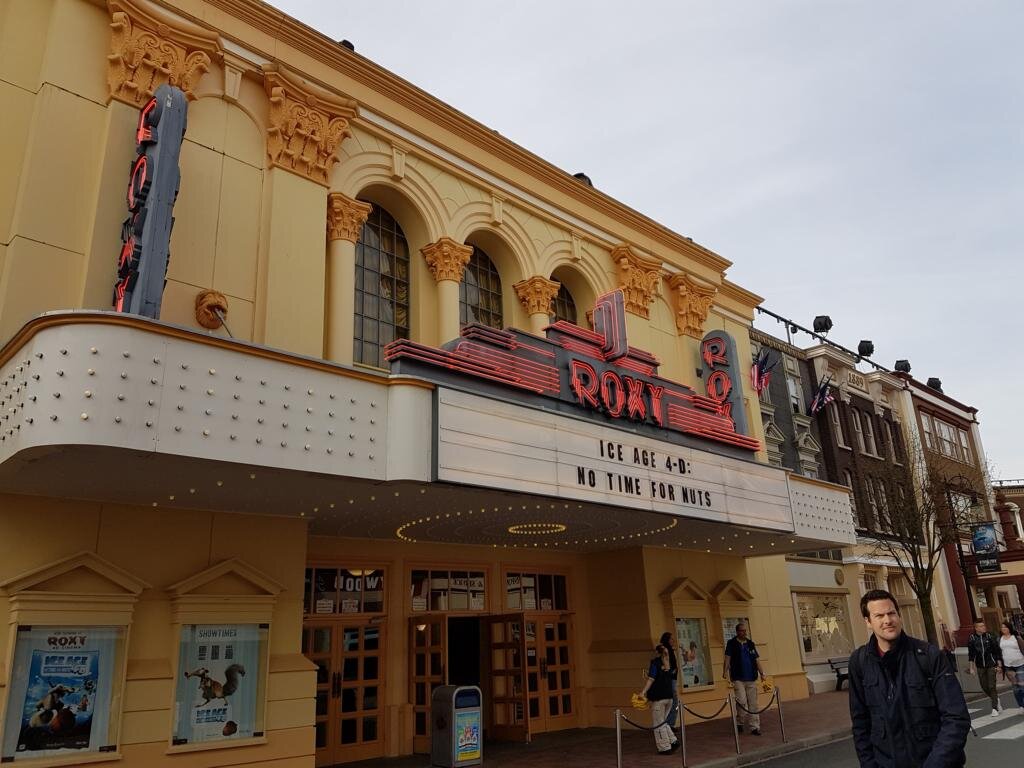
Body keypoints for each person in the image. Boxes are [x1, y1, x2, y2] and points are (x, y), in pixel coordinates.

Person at [849, 589, 969, 768]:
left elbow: (956, 718)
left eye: (891, 613)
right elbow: (861, 724)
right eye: (879, 616)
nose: (887, 620)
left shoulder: (929, 656)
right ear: (868, 622)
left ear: (899, 616)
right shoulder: (859, 662)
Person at [723, 622, 765, 735]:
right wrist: (725, 672)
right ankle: (740, 721)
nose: (744, 632)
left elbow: (756, 659)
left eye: (745, 631)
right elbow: (727, 658)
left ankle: (754, 727)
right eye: (742, 631)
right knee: (741, 701)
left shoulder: (750, 644)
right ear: (737, 632)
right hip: (738, 678)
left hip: (751, 677)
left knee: (753, 703)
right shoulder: (731, 643)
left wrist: (762, 673)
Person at [639, 644, 680, 754]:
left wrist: (643, 692)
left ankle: (665, 747)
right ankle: (673, 740)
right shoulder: (669, 663)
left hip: (659, 698)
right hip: (669, 697)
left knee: (658, 723)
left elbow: (651, 679)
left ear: (657, 652)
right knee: (663, 721)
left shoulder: (655, 663)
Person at [966, 618, 1003, 716]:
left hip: (991, 664)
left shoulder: (989, 636)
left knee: (991, 686)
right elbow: (971, 654)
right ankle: (995, 699)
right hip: (980, 666)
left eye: (984, 625)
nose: (984, 627)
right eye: (981, 626)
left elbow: (996, 651)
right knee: (984, 686)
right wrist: (971, 668)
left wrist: (999, 665)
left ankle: (995, 708)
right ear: (976, 628)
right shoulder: (972, 638)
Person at [997, 619, 1024, 713]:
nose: (1003, 629)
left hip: (1020, 664)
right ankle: (1021, 706)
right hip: (1008, 666)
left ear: (1009, 628)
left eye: (1005, 627)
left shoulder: (1016, 637)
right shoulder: (999, 639)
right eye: (1002, 627)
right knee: (1015, 687)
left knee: (1022, 685)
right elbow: (999, 653)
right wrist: (999, 665)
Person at [659, 631, 679, 728]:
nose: (673, 640)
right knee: (673, 701)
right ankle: (669, 724)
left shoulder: (670, 650)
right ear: (667, 640)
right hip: (670, 678)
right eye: (671, 638)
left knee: (673, 701)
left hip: (672, 678)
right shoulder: (666, 650)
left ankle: (669, 723)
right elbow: (664, 663)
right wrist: (671, 671)